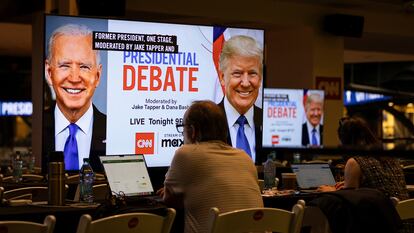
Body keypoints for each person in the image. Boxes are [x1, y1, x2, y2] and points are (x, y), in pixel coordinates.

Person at [158, 100, 263, 233]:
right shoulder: (245, 158)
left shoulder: (186, 153)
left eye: (183, 127)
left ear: (193, 131)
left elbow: (169, 201)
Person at [43, 24, 106, 172]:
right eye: (65, 65)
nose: (74, 78)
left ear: (97, 76)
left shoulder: (115, 131)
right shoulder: (34, 132)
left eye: (84, 67)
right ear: (49, 72)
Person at [318, 116, 409, 201]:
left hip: (378, 216)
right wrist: (347, 185)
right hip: (403, 215)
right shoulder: (390, 157)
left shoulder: (355, 162)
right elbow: (379, 186)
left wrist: (331, 191)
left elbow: (348, 202)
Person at [217, 35, 263, 164]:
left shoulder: (270, 123)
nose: (245, 83)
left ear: (260, 79)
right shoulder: (206, 123)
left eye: (252, 73)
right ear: (222, 77)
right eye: (237, 73)